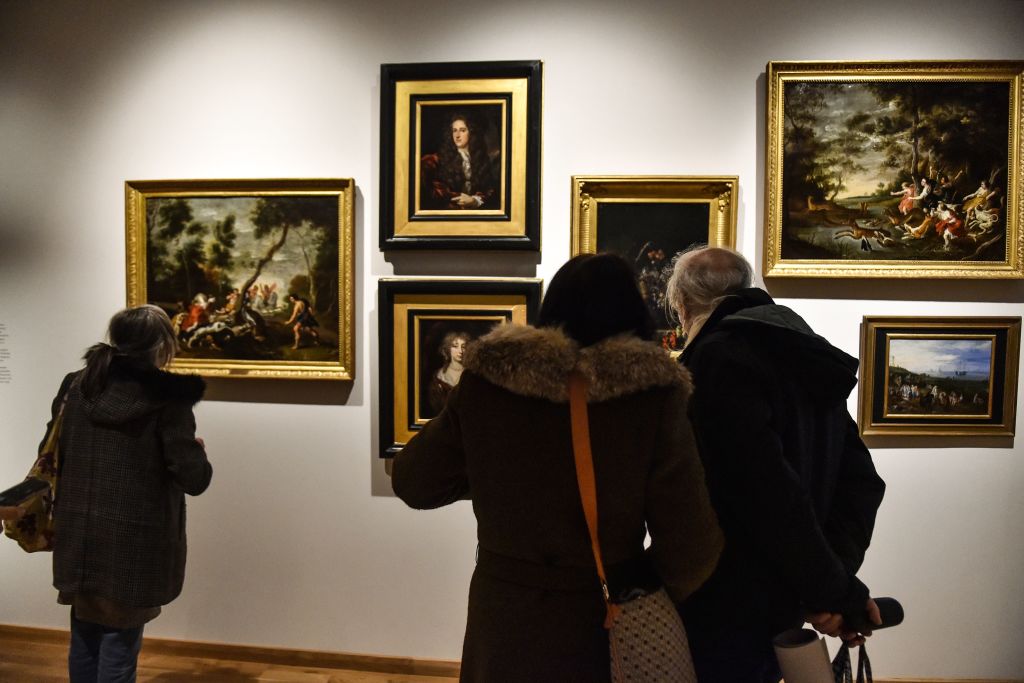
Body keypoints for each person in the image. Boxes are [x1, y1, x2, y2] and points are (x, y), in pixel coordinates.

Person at [392, 253, 723, 682]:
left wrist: (499, 476)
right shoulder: (651, 396)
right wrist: (642, 586)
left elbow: (415, 482)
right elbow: (690, 542)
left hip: (505, 612)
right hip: (605, 613)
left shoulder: (487, 382)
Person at [665, 246, 886, 682]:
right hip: (783, 595)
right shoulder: (801, 352)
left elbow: (767, 493)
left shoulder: (716, 359)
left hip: (726, 596)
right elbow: (860, 482)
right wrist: (829, 583)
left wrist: (830, 588)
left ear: (684, 306)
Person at [46, 304, 212, 682]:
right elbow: (194, 478)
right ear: (162, 344)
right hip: (133, 539)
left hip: (79, 532)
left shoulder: (77, 384)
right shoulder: (169, 397)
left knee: (84, 636)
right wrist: (197, 452)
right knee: (120, 645)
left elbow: (53, 449)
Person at [420, 112, 498, 210]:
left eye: (462, 130)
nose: (457, 135)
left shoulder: (480, 158)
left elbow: (488, 189)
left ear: (471, 132)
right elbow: (429, 186)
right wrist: (456, 197)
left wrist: (475, 200)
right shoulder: (437, 159)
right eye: (454, 130)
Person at [427, 331, 470, 415]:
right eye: (455, 346)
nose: (460, 351)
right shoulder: (439, 376)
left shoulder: (471, 374)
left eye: (463, 347)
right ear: (448, 349)